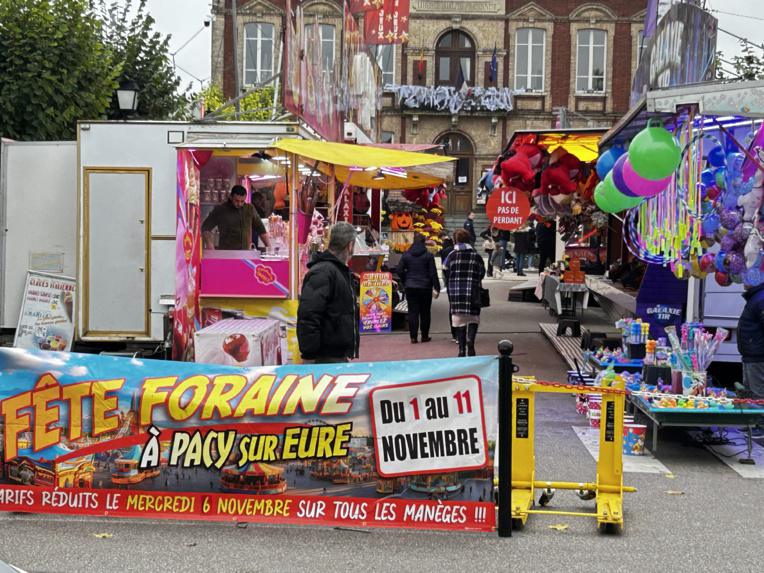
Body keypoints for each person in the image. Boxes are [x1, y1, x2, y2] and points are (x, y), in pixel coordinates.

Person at [297, 222, 360, 363]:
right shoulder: (325, 272)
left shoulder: (336, 271)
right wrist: (309, 354)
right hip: (324, 358)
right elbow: (309, 314)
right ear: (350, 246)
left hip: (333, 355)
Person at [444, 229, 485, 357]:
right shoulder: (476, 256)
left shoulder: (451, 255)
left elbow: (445, 270)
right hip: (473, 291)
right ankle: (470, 340)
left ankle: (461, 349)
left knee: (459, 321)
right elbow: (482, 272)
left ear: (455, 240)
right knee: (473, 319)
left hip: (456, 292)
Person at [398, 233, 441, 343]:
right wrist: (437, 287)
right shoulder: (428, 255)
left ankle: (413, 337)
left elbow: (399, 270)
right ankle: (425, 336)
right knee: (425, 312)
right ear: (424, 242)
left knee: (413, 312)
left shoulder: (406, 255)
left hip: (410, 286)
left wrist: (405, 280)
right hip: (425, 287)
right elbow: (433, 273)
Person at [202, 185, 271, 250]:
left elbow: (261, 229)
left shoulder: (249, 209)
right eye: (237, 201)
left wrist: (269, 248)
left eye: (242, 201)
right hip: (226, 253)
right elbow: (205, 228)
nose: (239, 204)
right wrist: (209, 244)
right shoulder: (221, 209)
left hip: (245, 253)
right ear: (231, 197)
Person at [737, 282, 764, 402]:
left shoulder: (760, 298)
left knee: (758, 400)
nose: (743, 281)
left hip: (757, 358)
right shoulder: (757, 297)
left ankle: (759, 420)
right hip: (752, 356)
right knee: (751, 398)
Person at [440, 237, 458, 342]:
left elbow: (444, 267)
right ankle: (463, 333)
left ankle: (454, 333)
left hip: (452, 284)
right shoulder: (473, 254)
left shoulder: (447, 253)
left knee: (452, 308)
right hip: (466, 285)